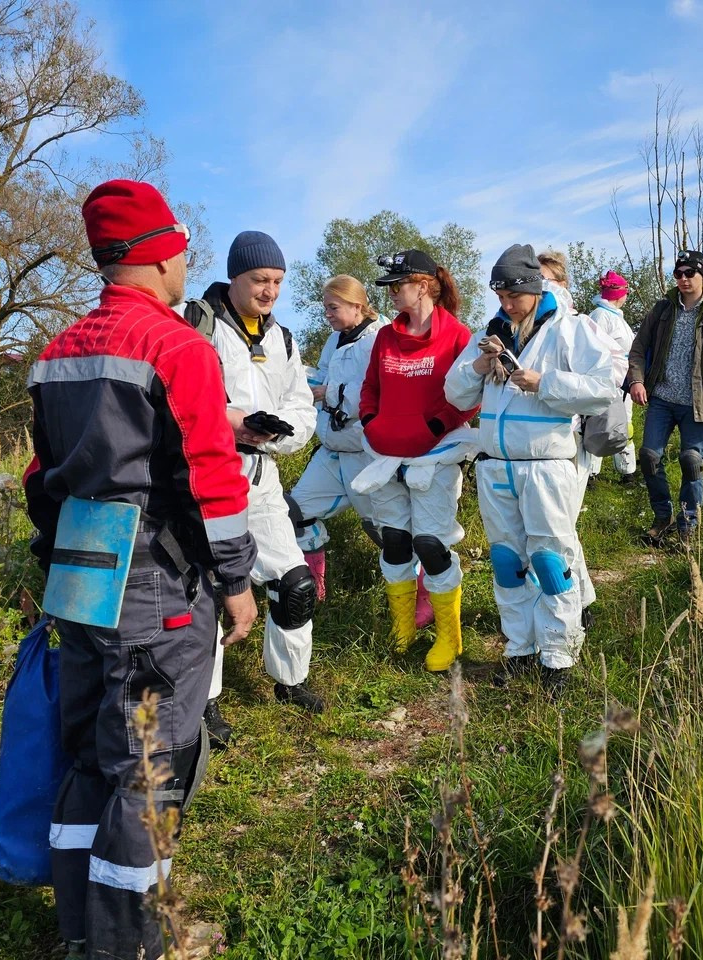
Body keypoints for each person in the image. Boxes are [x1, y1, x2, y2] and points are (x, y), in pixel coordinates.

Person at [24, 179, 258, 960]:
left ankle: (80, 927)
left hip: (77, 577)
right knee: (149, 767)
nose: (187, 262)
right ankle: (128, 945)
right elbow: (213, 479)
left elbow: (41, 479)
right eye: (182, 249)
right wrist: (237, 581)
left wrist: (54, 562)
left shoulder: (56, 355)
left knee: (93, 754)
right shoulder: (178, 346)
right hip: (155, 584)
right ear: (161, 257)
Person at [445, 244, 617, 699]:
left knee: (551, 562)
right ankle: (520, 649)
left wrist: (546, 383)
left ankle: (558, 657)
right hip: (496, 466)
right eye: (500, 296)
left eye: (513, 296)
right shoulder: (491, 333)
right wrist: (479, 366)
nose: (506, 305)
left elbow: (603, 389)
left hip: (547, 466)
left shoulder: (571, 329)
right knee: (507, 562)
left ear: (535, 288)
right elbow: (454, 394)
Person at [196, 231, 323, 737]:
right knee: (206, 593)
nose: (269, 291)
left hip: (262, 474)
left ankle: (290, 680)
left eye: (277, 281)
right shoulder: (197, 324)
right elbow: (180, 399)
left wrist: (277, 434)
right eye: (259, 280)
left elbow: (302, 408)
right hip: (206, 473)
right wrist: (233, 424)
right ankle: (203, 702)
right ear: (234, 276)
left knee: (295, 583)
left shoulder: (283, 339)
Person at [289, 275, 435, 625]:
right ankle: (314, 590)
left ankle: (426, 591)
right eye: (325, 308)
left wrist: (330, 392)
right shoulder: (335, 339)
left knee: (389, 533)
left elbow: (384, 387)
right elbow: (323, 376)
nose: (327, 314)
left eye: (333, 307)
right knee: (295, 512)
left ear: (356, 304)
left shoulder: (381, 337)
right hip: (332, 451)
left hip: (367, 454)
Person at [361, 249, 479, 671]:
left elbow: (469, 395)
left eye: (398, 285)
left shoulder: (458, 336)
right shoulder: (385, 336)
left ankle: (450, 637)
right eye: (390, 287)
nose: (391, 293)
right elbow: (370, 387)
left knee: (430, 543)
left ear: (424, 286)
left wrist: (436, 425)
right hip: (385, 452)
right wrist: (370, 420)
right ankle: (403, 629)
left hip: (435, 454)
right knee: (395, 540)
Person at [627, 249, 703, 544]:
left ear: (702, 276)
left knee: (691, 461)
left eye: (690, 273)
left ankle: (687, 526)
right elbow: (638, 349)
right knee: (649, 457)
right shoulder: (662, 311)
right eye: (678, 274)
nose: (684, 279)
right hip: (661, 399)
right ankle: (662, 518)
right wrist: (637, 380)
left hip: (695, 404)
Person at [586, 271, 639, 483]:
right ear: (620, 293)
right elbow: (594, 349)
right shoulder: (600, 316)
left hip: (623, 380)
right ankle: (591, 473)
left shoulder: (617, 317)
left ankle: (627, 471)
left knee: (624, 424)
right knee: (600, 423)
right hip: (606, 379)